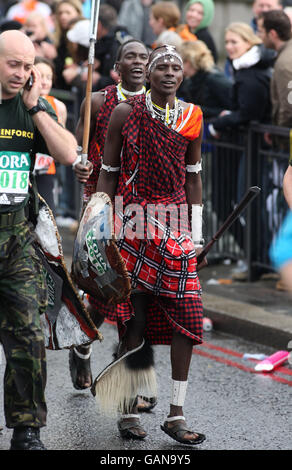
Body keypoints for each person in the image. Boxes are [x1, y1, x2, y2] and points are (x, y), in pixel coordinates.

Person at [93, 44, 206, 444]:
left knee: (189, 319)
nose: (169, 73)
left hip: (174, 228)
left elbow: (193, 177)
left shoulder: (193, 115)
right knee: (134, 323)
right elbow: (108, 171)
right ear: (151, 74)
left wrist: (196, 234)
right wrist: (99, 226)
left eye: (176, 67)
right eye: (162, 67)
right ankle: (126, 412)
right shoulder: (126, 112)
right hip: (132, 225)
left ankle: (176, 414)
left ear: (182, 75)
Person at [0, 29, 77, 450]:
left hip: (16, 241)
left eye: (28, 66)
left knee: (28, 335)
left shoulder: (31, 106)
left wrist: (36, 109)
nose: (22, 73)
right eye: (14, 64)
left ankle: (26, 430)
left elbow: (68, 153)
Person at [71, 40, 153, 413]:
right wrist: (79, 165)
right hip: (104, 205)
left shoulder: (159, 106)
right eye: (130, 57)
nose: (137, 62)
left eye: (143, 57)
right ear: (117, 66)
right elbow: (76, 150)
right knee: (110, 290)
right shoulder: (99, 103)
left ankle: (136, 381)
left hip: (145, 210)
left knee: (142, 297)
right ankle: (84, 342)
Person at [257, 11, 292, 209]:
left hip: (286, 145)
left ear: (272, 34)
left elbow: (289, 107)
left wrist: (278, 132)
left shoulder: (286, 63)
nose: (258, 36)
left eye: (260, 31)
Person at [34, 56, 67, 215]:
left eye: (49, 77)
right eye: (41, 76)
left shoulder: (58, 106)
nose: (45, 82)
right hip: (23, 169)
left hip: (46, 168)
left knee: (47, 217)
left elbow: (63, 143)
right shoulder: (19, 101)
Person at [178, 40, 232, 118]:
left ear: (189, 61)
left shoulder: (215, 80)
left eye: (182, 62)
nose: (180, 68)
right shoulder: (190, 80)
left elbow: (231, 109)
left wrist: (197, 109)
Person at [53, 0, 83, 91]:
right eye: (60, 13)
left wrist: (78, 70)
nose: (63, 16)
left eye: (68, 12)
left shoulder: (85, 37)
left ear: (77, 13)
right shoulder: (57, 39)